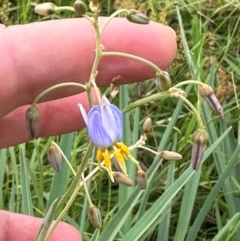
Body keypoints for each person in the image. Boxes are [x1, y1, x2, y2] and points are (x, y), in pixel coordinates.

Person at [0, 17, 177, 241]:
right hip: (109, 138)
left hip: (110, 139)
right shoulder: (109, 135)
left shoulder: (109, 138)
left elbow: (100, 114)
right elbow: (99, 114)